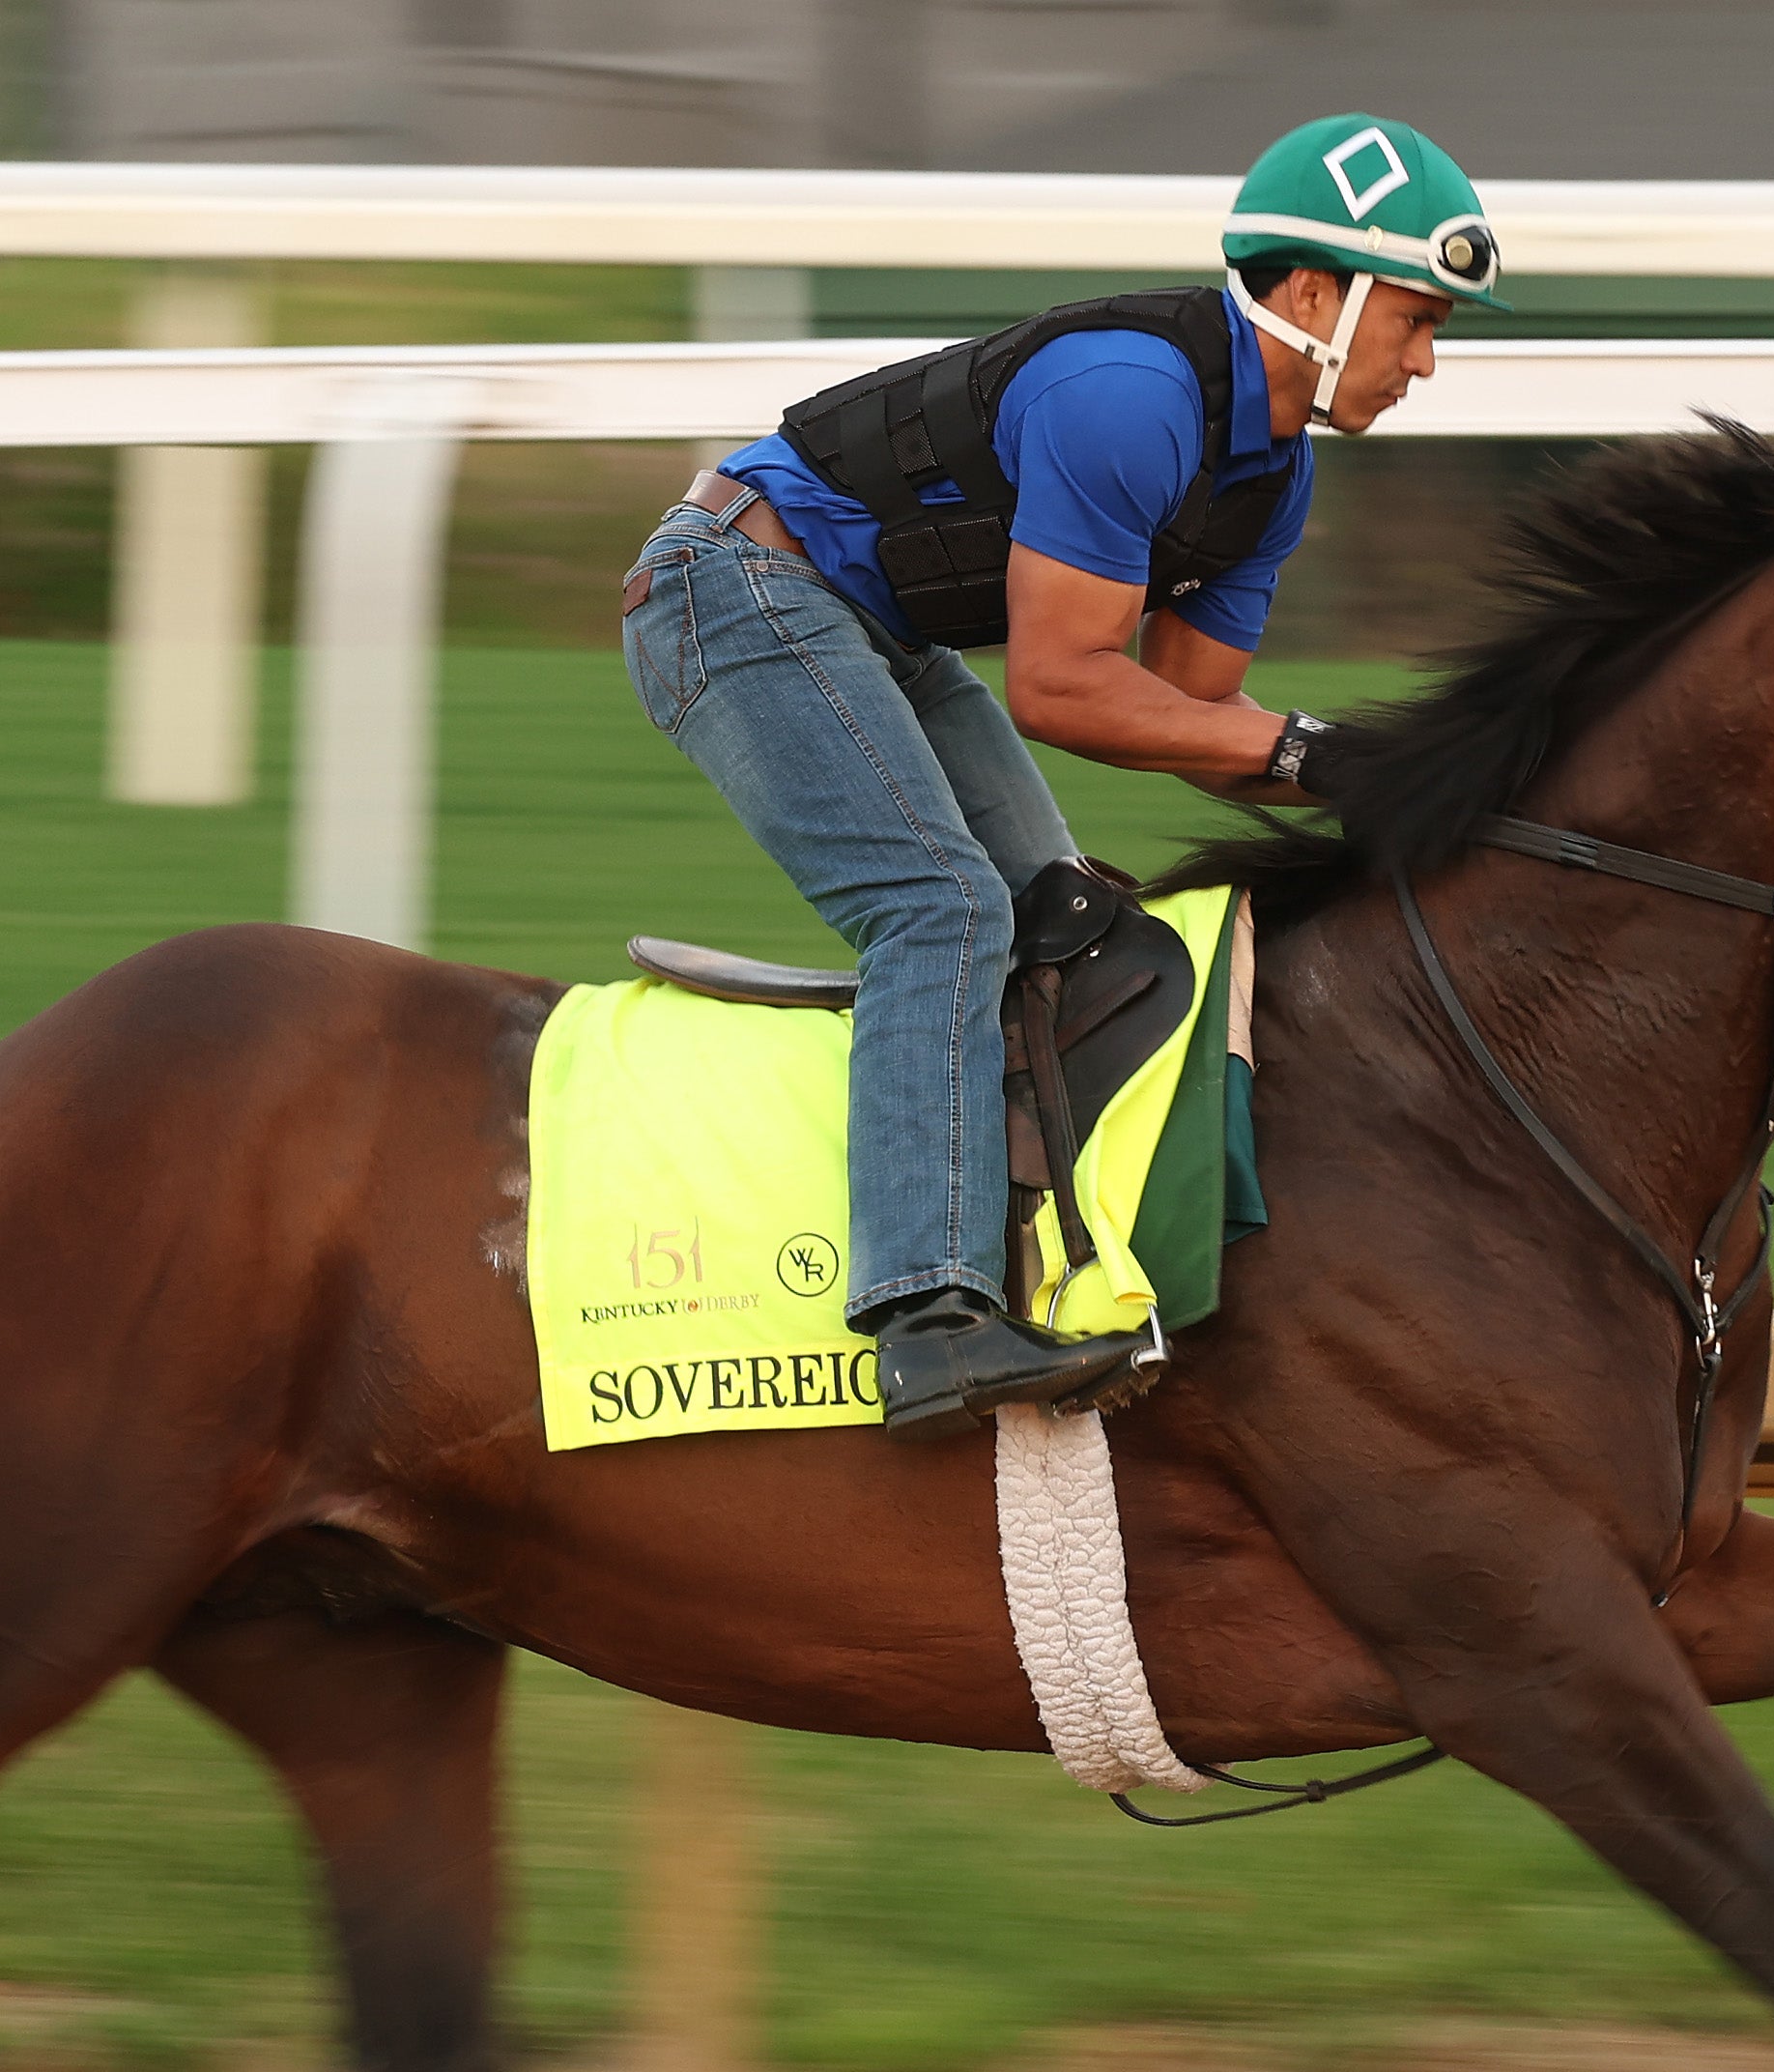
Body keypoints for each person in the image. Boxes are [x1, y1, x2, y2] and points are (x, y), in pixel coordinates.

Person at [620, 113, 1502, 1430]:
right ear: (1314, 294)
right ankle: (925, 1316)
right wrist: (1315, 750)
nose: (1426, 361)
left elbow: (1190, 714)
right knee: (943, 908)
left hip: (874, 633)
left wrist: (1398, 783)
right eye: (1415, 320)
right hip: (732, 591)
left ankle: (1051, 1263)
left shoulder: (1273, 478)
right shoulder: (1128, 398)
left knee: (1065, 916)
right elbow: (1064, 689)